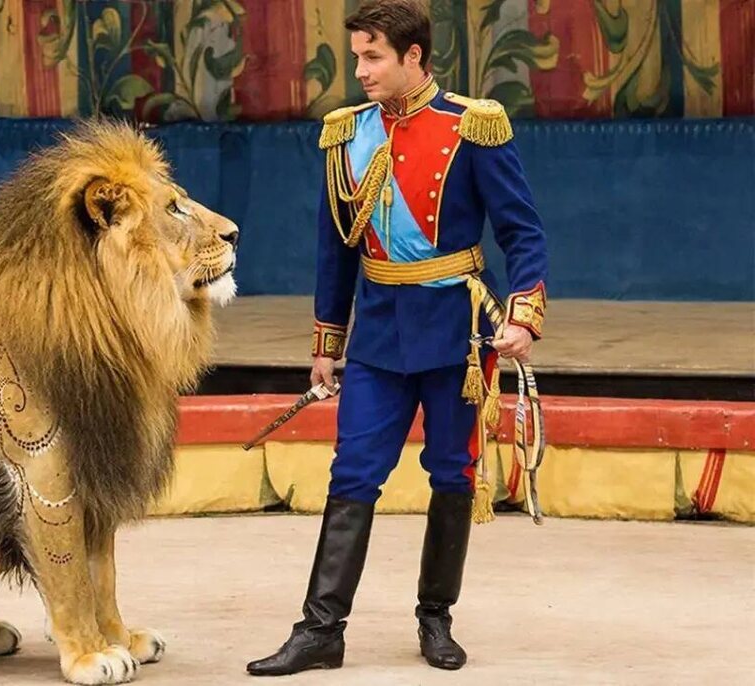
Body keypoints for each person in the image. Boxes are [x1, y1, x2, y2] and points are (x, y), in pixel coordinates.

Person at [246, 0, 548, 677]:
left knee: (452, 473)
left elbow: (523, 234)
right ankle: (320, 631)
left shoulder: (473, 126)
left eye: (373, 56)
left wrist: (523, 315)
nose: (360, 70)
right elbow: (335, 249)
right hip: (379, 332)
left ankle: (435, 618)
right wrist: (327, 342)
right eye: (358, 56)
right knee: (353, 471)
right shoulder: (346, 134)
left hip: (456, 335)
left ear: (414, 56)